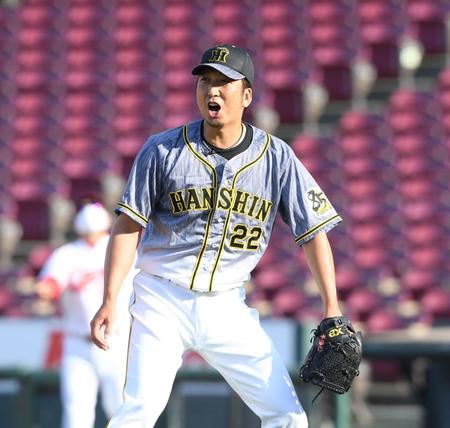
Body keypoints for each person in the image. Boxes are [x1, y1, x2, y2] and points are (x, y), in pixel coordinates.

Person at [91, 44, 343, 428]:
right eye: (205, 80)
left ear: (247, 96)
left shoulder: (277, 158)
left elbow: (314, 234)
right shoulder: (162, 149)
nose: (213, 90)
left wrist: (332, 307)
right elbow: (128, 227)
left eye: (225, 82)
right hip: (161, 299)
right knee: (138, 412)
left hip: (226, 304)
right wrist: (110, 299)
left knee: (289, 416)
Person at [37, 202, 134, 428]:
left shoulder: (118, 247)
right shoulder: (68, 254)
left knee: (121, 408)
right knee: (77, 412)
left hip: (116, 340)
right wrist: (45, 289)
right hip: (78, 342)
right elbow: (51, 283)